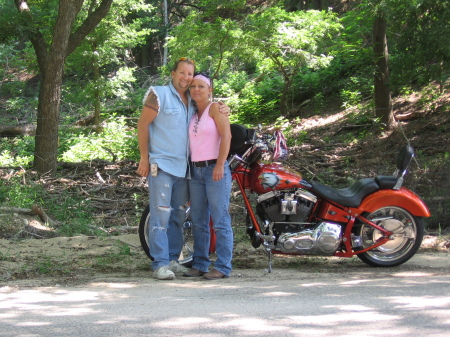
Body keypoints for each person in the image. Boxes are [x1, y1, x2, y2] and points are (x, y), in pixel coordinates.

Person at [136, 58, 229, 280]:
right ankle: (159, 264)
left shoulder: (191, 99)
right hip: (161, 164)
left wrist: (223, 106)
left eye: (190, 74)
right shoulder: (158, 95)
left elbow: (211, 109)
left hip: (185, 169)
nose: (187, 78)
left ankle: (171, 260)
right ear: (173, 73)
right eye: (183, 73)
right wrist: (144, 158)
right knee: (160, 213)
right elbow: (142, 124)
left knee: (177, 214)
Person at [183, 73, 234, 280]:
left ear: (209, 90)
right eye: (193, 86)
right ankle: (200, 263)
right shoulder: (192, 113)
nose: (196, 89)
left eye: (201, 86)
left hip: (215, 167)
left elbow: (227, 135)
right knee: (198, 220)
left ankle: (222, 266)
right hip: (195, 171)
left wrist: (220, 164)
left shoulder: (215, 108)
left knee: (220, 219)